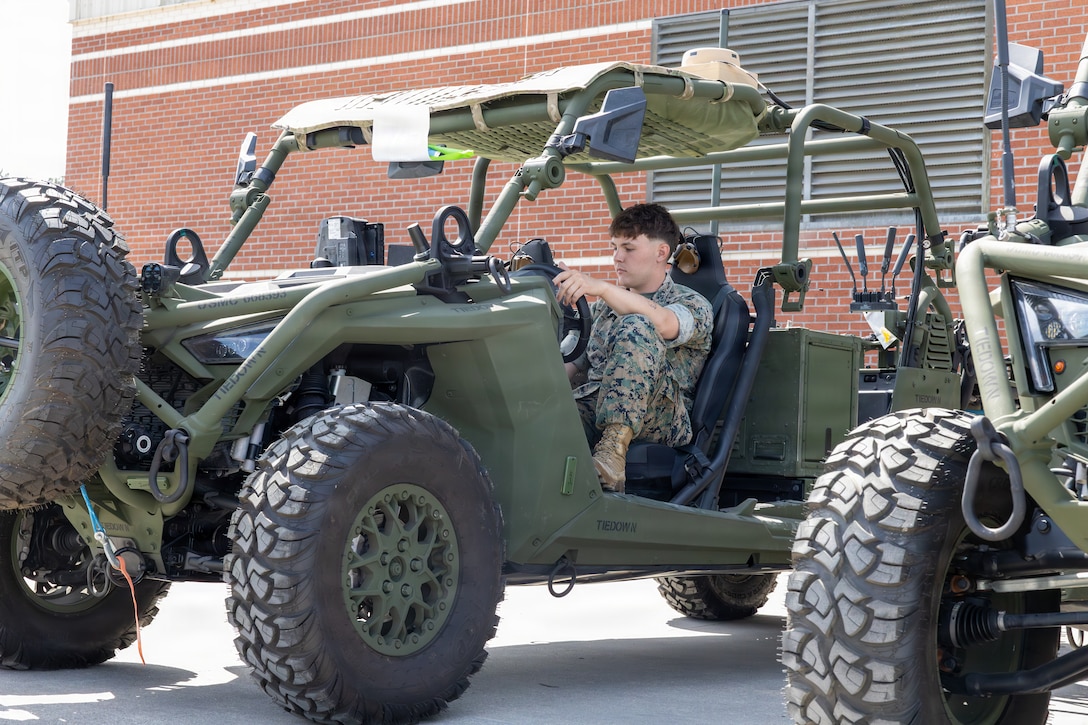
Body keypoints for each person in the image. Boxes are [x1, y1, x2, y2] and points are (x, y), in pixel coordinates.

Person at [554, 203, 712, 494]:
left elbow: (663, 323)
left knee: (638, 323)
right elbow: (573, 364)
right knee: (542, 415)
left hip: (662, 416)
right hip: (598, 401)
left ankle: (614, 450)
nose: (617, 258)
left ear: (661, 253)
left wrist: (600, 287)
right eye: (614, 247)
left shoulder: (694, 304)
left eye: (628, 248)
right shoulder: (603, 309)